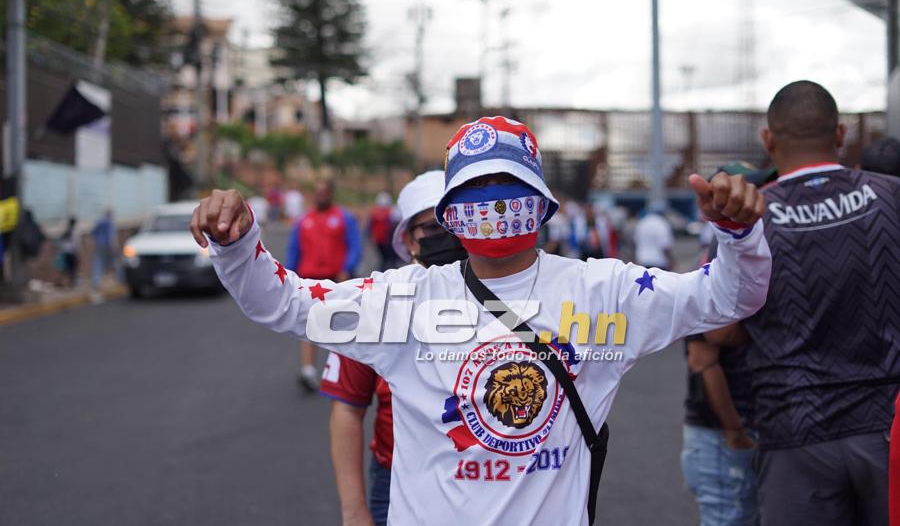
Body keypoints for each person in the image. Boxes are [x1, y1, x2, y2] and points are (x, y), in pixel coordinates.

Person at [191, 115, 770, 526]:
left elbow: (729, 297)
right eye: (475, 188)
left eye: (509, 186)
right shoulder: (403, 298)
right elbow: (283, 302)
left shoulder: (604, 292)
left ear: (541, 200)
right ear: (448, 211)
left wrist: (739, 235)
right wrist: (236, 243)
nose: (493, 204)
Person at [733, 81, 899, 526]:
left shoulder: (749, 217)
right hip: (888, 424)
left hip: (794, 428)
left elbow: (721, 329)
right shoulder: (892, 196)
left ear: (768, 140)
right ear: (840, 134)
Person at [321, 170, 466, 526]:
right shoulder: (378, 304)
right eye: (432, 227)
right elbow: (347, 409)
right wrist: (354, 512)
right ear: (409, 241)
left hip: (493, 478)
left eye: (453, 223)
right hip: (399, 479)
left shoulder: (502, 295)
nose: (446, 235)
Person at [680, 162, 778, 526]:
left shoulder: (743, 247)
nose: (754, 196)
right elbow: (703, 357)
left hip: (738, 426)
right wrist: (734, 431)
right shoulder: (714, 258)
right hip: (720, 432)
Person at [285, 178, 362, 392]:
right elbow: (294, 250)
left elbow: (355, 246)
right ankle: (308, 370)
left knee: (339, 326)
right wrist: (289, 276)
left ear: (330, 194)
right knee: (309, 325)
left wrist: (347, 268)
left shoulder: (344, 217)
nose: (320, 196)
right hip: (310, 281)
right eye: (317, 192)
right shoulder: (303, 221)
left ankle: (342, 373)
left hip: (336, 280)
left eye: (324, 192)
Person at [367, 192, 397, 272]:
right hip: (387, 240)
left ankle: (383, 272)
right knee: (389, 260)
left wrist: (370, 237)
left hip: (379, 240)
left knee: (384, 259)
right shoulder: (391, 213)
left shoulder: (374, 213)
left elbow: (369, 227)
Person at [90, 210, 116, 290]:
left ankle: (96, 281)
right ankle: (119, 278)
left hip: (99, 244)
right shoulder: (109, 222)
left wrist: (97, 239)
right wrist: (112, 246)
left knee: (98, 262)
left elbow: (93, 231)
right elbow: (110, 235)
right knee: (113, 261)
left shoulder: (100, 221)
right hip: (107, 245)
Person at [59, 217, 79, 288]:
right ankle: (72, 284)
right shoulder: (74, 232)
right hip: (72, 252)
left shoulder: (66, 231)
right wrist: (77, 252)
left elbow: (61, 242)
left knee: (67, 268)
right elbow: (76, 244)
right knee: (73, 269)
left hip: (65, 252)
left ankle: (64, 282)